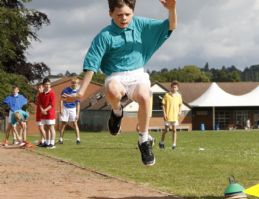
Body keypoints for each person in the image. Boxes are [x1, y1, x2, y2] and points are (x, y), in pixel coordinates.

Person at [63, 0, 177, 166]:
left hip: (137, 73)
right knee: (111, 89)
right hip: (115, 75)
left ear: (133, 12)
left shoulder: (141, 24)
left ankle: (144, 140)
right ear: (110, 14)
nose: (124, 18)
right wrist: (80, 92)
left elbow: (170, 26)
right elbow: (91, 65)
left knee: (145, 96)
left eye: (127, 14)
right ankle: (117, 112)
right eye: (119, 15)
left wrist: (172, 9)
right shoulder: (104, 36)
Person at [159, 80, 182, 150]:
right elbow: (163, 105)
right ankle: (161, 142)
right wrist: (164, 113)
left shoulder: (179, 96)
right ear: (171, 87)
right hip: (168, 116)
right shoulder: (167, 95)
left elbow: (180, 104)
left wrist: (180, 111)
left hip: (175, 116)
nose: (174, 88)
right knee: (167, 130)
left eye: (175, 87)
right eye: (173, 87)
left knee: (174, 130)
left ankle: (174, 144)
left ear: (177, 88)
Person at [59, 77, 81, 145]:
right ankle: (60, 139)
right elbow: (61, 100)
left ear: (78, 84)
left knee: (75, 123)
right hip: (65, 108)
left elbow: (78, 104)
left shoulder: (78, 92)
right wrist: (61, 109)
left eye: (75, 83)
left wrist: (77, 114)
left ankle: (78, 139)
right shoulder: (65, 90)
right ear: (71, 83)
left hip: (73, 109)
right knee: (63, 124)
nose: (74, 84)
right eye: (72, 83)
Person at [38, 77, 56, 149]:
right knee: (46, 128)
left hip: (50, 113)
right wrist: (42, 110)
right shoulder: (41, 94)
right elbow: (39, 103)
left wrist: (45, 110)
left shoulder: (52, 93)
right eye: (46, 84)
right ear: (43, 85)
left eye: (49, 84)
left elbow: (52, 104)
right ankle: (47, 142)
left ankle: (52, 143)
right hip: (43, 113)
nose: (48, 85)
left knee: (51, 127)